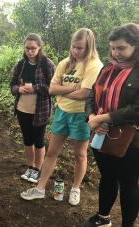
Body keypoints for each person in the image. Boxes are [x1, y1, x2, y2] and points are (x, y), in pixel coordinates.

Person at [21, 28, 103, 206]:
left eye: (80, 48)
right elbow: (51, 89)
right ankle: (40, 188)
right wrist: (73, 89)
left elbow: (85, 94)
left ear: (89, 47)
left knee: (80, 155)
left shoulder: (94, 65)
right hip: (61, 113)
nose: (75, 51)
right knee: (51, 152)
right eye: (73, 46)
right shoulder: (65, 63)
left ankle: (75, 188)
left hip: (81, 116)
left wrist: (64, 91)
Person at [84, 23, 139, 227]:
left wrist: (104, 118)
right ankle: (103, 217)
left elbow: (136, 109)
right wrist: (91, 118)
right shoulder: (107, 68)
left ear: (135, 46)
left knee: (128, 184)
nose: (116, 53)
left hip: (131, 141)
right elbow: (92, 94)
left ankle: (128, 224)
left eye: (122, 48)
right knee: (107, 177)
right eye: (113, 48)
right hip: (102, 134)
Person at [10, 33, 55, 183]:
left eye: (33, 48)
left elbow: (53, 87)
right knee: (27, 140)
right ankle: (30, 167)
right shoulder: (21, 64)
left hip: (40, 110)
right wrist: (18, 89)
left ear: (39, 47)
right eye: (27, 48)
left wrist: (35, 88)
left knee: (39, 140)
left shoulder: (46, 64)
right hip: (23, 108)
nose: (30, 51)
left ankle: (37, 169)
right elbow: (13, 85)